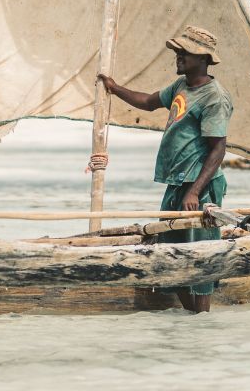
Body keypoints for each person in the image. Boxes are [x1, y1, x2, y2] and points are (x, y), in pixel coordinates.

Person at [97, 25, 231, 313]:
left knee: (200, 256)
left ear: (203, 58)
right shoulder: (181, 87)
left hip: (200, 186)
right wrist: (114, 87)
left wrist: (195, 191)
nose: (178, 57)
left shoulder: (213, 97)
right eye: (178, 52)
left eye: (184, 53)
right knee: (169, 252)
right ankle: (189, 317)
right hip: (177, 182)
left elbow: (218, 149)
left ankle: (201, 321)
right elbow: (147, 102)